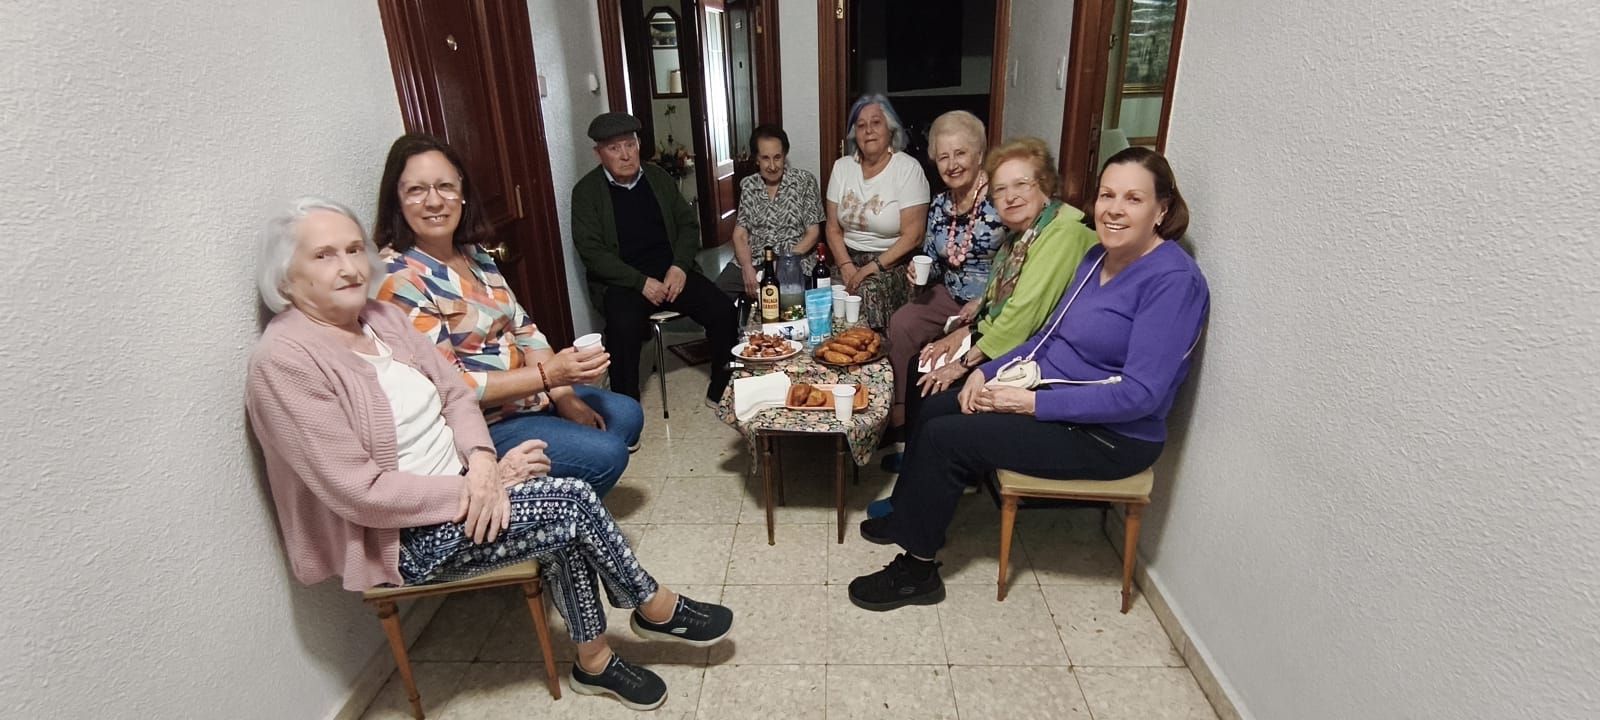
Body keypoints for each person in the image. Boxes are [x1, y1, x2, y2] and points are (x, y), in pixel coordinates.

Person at [247, 197, 733, 709]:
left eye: (352, 249)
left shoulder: (380, 319)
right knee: (569, 501)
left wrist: (485, 463)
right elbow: (361, 493)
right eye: (323, 256)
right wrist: (482, 485)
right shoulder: (285, 363)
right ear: (285, 279)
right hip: (403, 536)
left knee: (563, 521)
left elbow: (455, 394)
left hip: (469, 480)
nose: (347, 267)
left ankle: (594, 663)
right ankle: (652, 604)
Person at [848, 148, 1209, 611]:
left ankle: (917, 572)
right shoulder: (1099, 256)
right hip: (1053, 396)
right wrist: (986, 371)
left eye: (1133, 198)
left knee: (946, 437)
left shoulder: (1174, 281)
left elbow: (1140, 395)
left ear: (1161, 209)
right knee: (937, 404)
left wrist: (1030, 404)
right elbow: (1048, 337)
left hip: (1111, 436)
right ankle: (909, 516)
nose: (1115, 209)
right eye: (1107, 195)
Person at [374, 134, 643, 498]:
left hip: (530, 395)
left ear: (462, 193)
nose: (434, 201)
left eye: (445, 187)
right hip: (484, 423)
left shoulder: (474, 253)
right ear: (397, 200)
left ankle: (562, 496)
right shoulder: (399, 277)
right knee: (607, 454)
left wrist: (563, 396)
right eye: (416, 190)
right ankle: (549, 515)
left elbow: (526, 331)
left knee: (626, 414)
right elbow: (452, 386)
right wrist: (549, 376)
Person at [877, 137, 1098, 477]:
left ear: (1045, 186)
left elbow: (1022, 320)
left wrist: (962, 363)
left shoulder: (1062, 235)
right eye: (1001, 190)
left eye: (1022, 185)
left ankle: (938, 468)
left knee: (935, 385)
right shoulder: (1020, 237)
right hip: (1003, 333)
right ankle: (919, 462)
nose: (1010, 197)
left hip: (1037, 355)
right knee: (922, 362)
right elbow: (996, 303)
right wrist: (961, 333)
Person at [571, 112, 737, 405]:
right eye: (614, 148)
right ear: (599, 153)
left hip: (670, 271)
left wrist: (679, 266)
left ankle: (723, 386)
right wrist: (639, 281)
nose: (625, 155)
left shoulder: (658, 178)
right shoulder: (586, 192)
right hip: (623, 281)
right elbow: (592, 252)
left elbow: (688, 226)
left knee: (722, 310)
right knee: (622, 328)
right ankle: (625, 408)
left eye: (630, 145)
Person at [885, 111, 1007, 431]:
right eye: (943, 156)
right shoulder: (940, 204)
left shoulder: (1002, 200)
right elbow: (933, 258)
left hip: (990, 300)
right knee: (901, 324)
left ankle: (940, 419)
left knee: (947, 352)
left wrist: (985, 302)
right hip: (948, 293)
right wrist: (916, 269)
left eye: (960, 153)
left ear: (980, 154)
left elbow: (1018, 263)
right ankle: (901, 407)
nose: (952, 164)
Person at [823, 95, 931, 329]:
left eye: (876, 123)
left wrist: (869, 270)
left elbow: (914, 236)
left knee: (864, 291)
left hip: (891, 262)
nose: (868, 131)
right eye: (861, 125)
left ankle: (873, 359)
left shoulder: (908, 169)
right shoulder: (842, 168)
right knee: (822, 291)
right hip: (847, 258)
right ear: (854, 134)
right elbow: (832, 227)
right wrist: (846, 266)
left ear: (890, 129)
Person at [714, 125, 825, 300]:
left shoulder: (804, 181)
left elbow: (813, 234)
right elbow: (740, 234)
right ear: (757, 159)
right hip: (755, 260)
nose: (772, 166)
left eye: (777, 157)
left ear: (785, 155)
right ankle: (738, 326)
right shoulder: (749, 185)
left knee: (780, 300)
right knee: (715, 297)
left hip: (793, 261)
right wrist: (746, 267)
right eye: (765, 158)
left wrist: (783, 262)